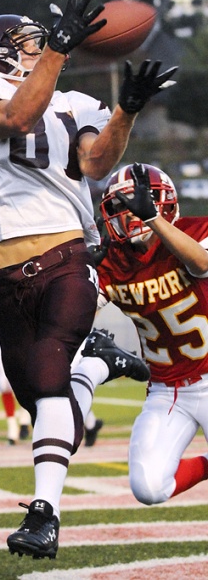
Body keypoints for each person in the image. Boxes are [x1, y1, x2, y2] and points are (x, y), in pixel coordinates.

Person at [0, 0, 177, 559]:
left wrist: (127, 110)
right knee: (40, 394)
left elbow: (96, 162)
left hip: (68, 256)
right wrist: (59, 51)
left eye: (38, 41)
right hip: (3, 271)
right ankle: (94, 364)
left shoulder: (76, 103)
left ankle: (45, 514)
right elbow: (14, 120)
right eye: (23, 41)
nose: (36, 46)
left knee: (46, 384)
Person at [73, 162, 208, 508]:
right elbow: (77, 320)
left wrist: (154, 221)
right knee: (148, 486)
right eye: (119, 208)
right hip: (166, 389)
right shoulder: (111, 261)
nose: (129, 215)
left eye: (137, 205)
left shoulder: (196, 230)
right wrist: (81, 279)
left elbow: (202, 264)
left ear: (165, 204)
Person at [0, 292, 31, 444]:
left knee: (24, 380)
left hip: (23, 338)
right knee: (3, 383)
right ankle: (12, 427)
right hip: (2, 339)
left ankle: (25, 418)